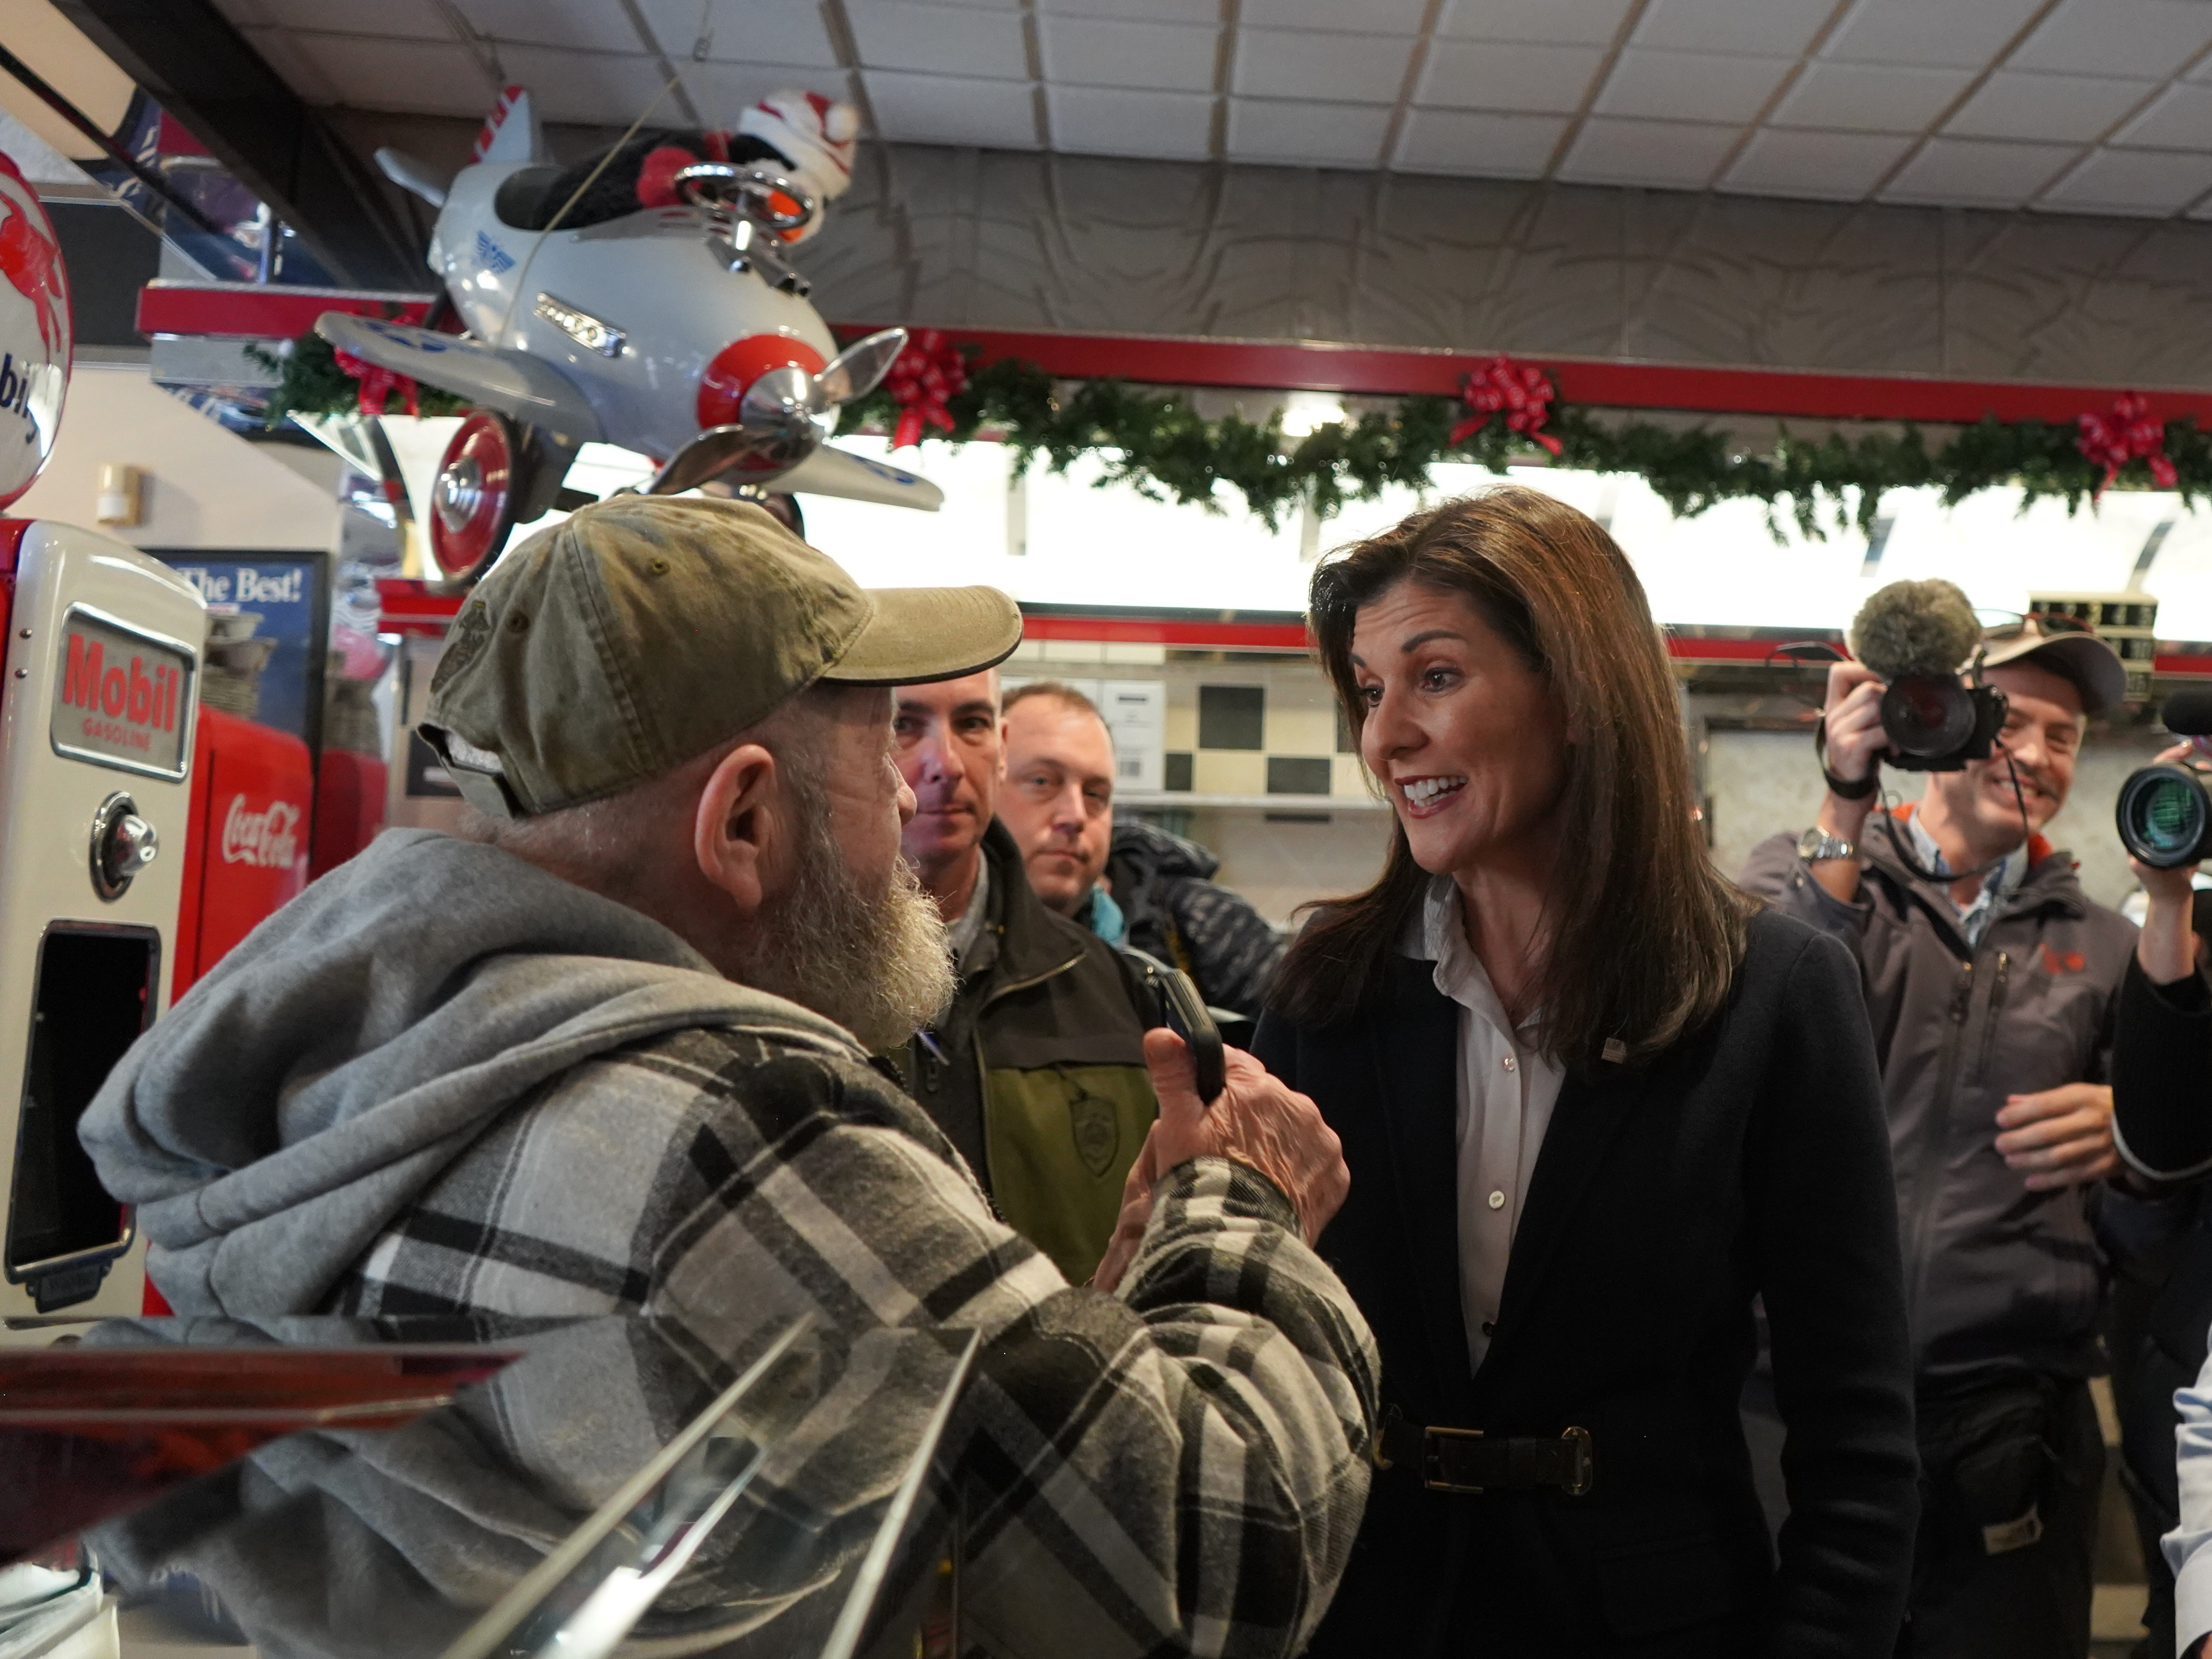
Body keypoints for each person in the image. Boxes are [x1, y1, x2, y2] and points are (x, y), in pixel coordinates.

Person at [79, 498, 1379, 1658]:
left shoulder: (357, 1063)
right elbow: (1218, 1558)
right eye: (879, 754)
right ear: (745, 820)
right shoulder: (736, 1122)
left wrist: (1086, 1325)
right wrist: (1238, 1208)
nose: (919, 804)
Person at [1245, 488, 1918, 1656]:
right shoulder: (1322, 994)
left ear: (1573, 692)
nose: (1384, 736)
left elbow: (1854, 1438)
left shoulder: (1773, 994)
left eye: (1434, 677)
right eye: (1367, 692)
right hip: (1370, 1618)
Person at [1738, 615, 2135, 1659]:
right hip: (1789, 1398)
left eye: (2066, 738)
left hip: (2007, 1421)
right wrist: (1844, 795)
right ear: (1933, 713)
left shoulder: (2108, 943)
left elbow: (2170, 1174)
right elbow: (1750, 1039)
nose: (2041, 758)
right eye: (2017, 722)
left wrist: (2127, 1125)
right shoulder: (1797, 871)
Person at [891, 668, 1159, 1283]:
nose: (946, 763)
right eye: (904, 725)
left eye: (972, 725)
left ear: (999, 749)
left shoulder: (1122, 995)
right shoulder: (795, 984)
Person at [1000, 679, 1286, 1024]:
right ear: (985, 790)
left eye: (1095, 794)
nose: (1074, 815)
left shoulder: (1207, 926)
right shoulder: (933, 944)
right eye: (1042, 781)